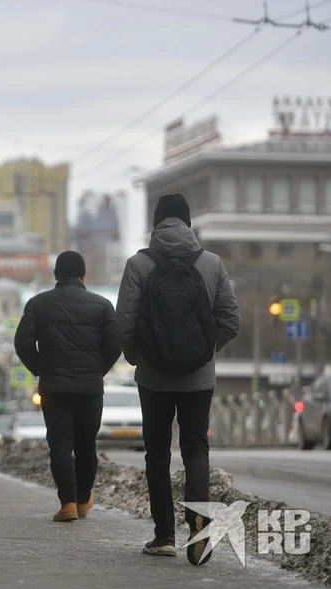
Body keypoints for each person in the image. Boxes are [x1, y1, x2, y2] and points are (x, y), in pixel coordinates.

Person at [115, 193, 241, 565]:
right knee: (196, 449)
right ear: (188, 223)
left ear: (156, 223)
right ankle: (200, 532)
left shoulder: (139, 264)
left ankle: (164, 536)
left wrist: (138, 356)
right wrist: (201, 352)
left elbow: (123, 322)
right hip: (198, 379)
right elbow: (231, 321)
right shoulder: (212, 263)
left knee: (156, 453)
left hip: (152, 377)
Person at [14, 251, 121, 523]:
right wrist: (97, 370)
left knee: (60, 445)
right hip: (89, 388)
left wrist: (41, 368)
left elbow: (22, 343)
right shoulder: (102, 306)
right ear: (83, 275)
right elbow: (114, 345)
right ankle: (84, 499)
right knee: (86, 444)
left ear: (56, 275)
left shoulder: (38, 304)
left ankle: (68, 504)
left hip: (54, 388)